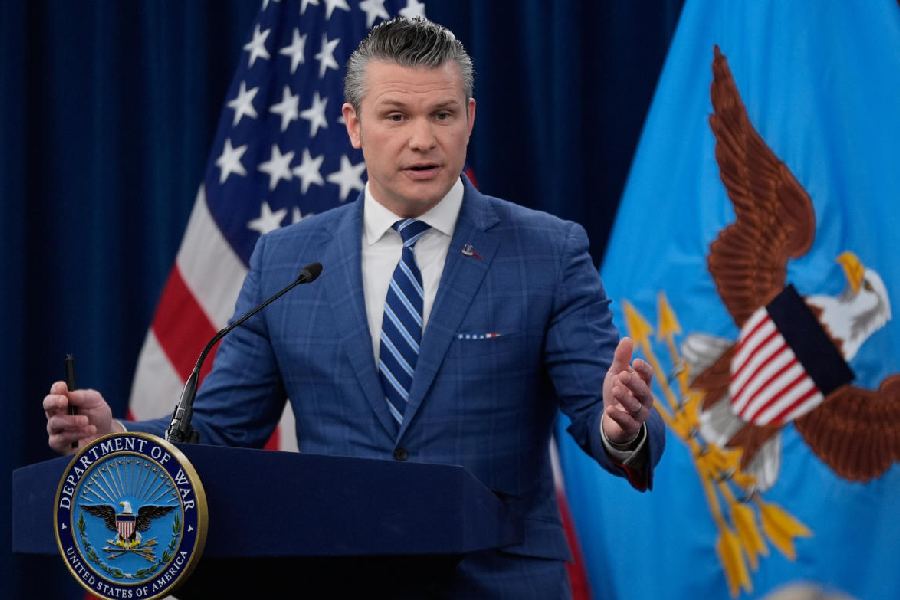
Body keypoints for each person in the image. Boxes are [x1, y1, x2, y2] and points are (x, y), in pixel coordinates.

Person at [44, 17, 664, 598]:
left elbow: (603, 415)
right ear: (353, 124)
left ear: (469, 119)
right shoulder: (286, 260)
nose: (423, 139)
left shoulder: (547, 251)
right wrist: (117, 439)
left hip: (500, 580)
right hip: (339, 576)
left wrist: (623, 427)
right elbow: (222, 428)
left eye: (442, 114)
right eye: (396, 115)